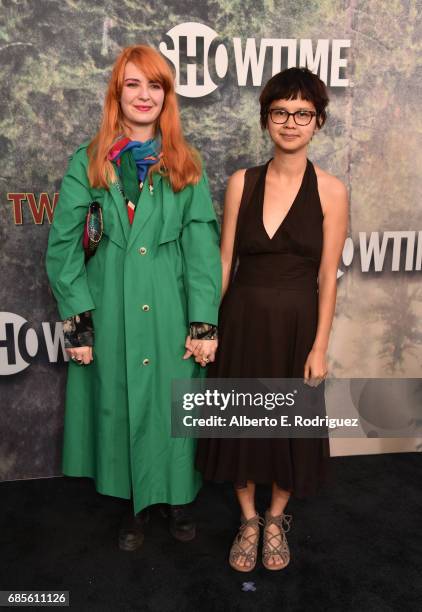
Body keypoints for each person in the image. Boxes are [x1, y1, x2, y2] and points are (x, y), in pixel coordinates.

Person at [46, 44, 221, 551]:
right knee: (122, 400)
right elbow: (62, 247)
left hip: (171, 306)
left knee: (176, 402)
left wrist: (203, 323)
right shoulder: (90, 161)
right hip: (112, 307)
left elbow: (202, 250)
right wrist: (77, 325)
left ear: (167, 96)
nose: (144, 95)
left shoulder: (186, 163)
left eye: (155, 85)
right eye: (133, 84)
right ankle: (136, 504)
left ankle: (178, 498)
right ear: (117, 94)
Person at [196, 67, 348, 571]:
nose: (290, 122)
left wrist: (320, 345)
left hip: (298, 327)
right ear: (266, 119)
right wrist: (207, 326)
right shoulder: (242, 182)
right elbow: (223, 262)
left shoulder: (332, 191)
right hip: (240, 321)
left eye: (302, 113)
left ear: (318, 121)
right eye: (280, 112)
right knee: (241, 424)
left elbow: (328, 277)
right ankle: (247, 519)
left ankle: (277, 519)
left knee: (288, 428)